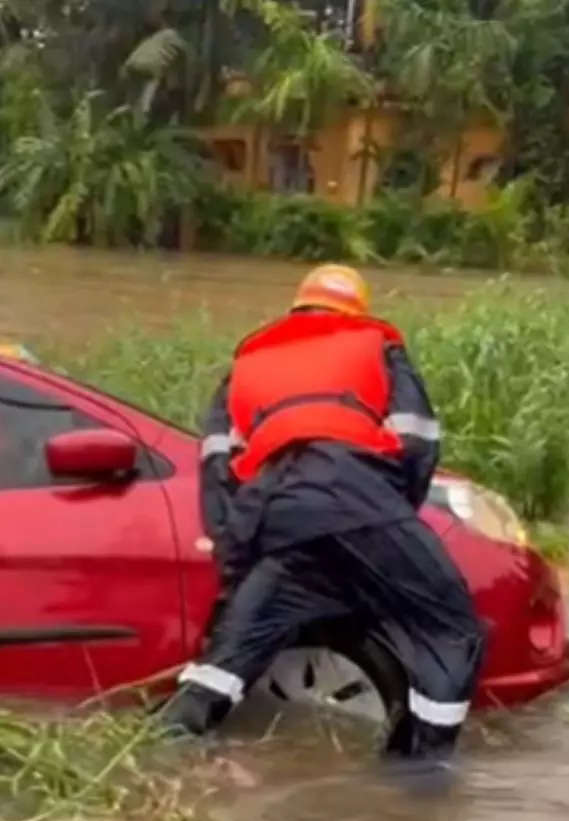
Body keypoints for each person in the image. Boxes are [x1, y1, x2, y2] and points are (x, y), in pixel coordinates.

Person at [160, 265, 485, 759]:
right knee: (452, 628)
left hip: (277, 516)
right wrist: (386, 519)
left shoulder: (249, 360)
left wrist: (237, 560)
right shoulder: (375, 344)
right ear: (356, 311)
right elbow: (419, 443)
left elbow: (218, 470)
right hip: (355, 494)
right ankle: (420, 776)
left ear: (297, 307)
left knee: (225, 660)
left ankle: (158, 754)